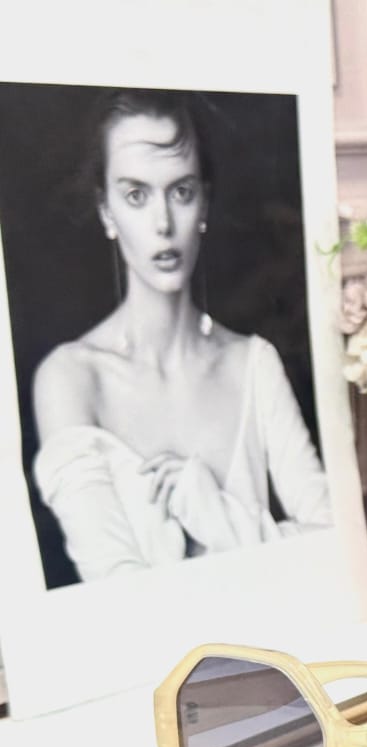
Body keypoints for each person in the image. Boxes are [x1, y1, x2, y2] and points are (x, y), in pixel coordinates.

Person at [31, 89, 332, 583]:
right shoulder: (70, 379)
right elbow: (112, 589)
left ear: (204, 203)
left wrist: (214, 513)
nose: (163, 224)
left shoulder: (253, 364)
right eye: (136, 195)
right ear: (106, 211)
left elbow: (330, 548)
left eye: (181, 192)